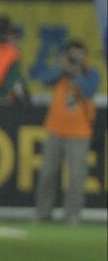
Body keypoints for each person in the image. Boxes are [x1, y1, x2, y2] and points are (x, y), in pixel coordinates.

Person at [34, 40, 100, 224]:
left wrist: (76, 72)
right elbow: (44, 79)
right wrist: (61, 67)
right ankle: (42, 213)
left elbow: (88, 91)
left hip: (80, 133)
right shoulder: (60, 73)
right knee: (48, 174)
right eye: (73, 54)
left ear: (85, 56)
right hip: (55, 130)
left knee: (76, 177)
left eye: (80, 54)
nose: (76, 58)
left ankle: (72, 215)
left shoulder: (91, 73)